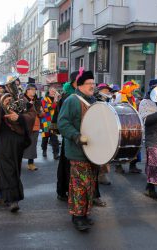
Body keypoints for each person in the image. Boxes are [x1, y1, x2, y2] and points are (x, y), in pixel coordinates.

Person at [0, 76, 36, 213]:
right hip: (2, 137)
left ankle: (0, 193)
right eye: (11, 85)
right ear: (5, 87)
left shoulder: (22, 99)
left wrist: (19, 117)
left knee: (13, 167)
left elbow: (32, 114)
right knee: (7, 167)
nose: (15, 87)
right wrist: (2, 108)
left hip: (17, 138)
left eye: (16, 84)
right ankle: (13, 199)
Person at [58, 69, 97, 231]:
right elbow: (63, 123)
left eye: (93, 84)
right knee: (79, 184)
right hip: (77, 151)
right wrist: (76, 136)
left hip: (93, 151)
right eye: (89, 84)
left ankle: (85, 213)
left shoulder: (93, 100)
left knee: (89, 185)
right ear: (80, 85)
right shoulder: (72, 101)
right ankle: (77, 216)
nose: (92, 86)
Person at [52, 71, 78, 201]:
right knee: (66, 164)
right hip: (70, 135)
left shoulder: (82, 95)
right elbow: (61, 118)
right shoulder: (67, 97)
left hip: (81, 135)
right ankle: (64, 190)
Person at [114, 80, 142, 174]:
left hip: (133, 123)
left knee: (134, 144)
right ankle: (118, 165)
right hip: (123, 123)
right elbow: (115, 108)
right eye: (131, 88)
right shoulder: (119, 96)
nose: (133, 90)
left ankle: (133, 165)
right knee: (121, 145)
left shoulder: (132, 98)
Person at [95, 83, 113, 185]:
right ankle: (99, 174)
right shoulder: (96, 100)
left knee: (106, 153)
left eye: (108, 90)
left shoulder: (108, 101)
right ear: (100, 91)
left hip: (107, 130)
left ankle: (102, 174)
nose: (108, 92)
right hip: (99, 131)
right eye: (106, 90)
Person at [23, 83, 43, 171]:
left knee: (32, 145)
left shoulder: (37, 100)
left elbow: (42, 113)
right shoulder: (22, 99)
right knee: (20, 144)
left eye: (35, 90)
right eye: (32, 89)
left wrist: (41, 112)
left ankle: (30, 163)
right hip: (24, 125)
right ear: (27, 90)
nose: (34, 91)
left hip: (35, 125)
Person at [40, 87, 60, 159]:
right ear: (49, 91)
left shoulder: (57, 99)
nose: (53, 92)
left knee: (54, 137)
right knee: (45, 137)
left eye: (54, 91)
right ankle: (44, 150)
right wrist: (55, 101)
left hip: (54, 121)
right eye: (52, 91)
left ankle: (55, 154)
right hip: (46, 121)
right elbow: (46, 109)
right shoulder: (44, 99)